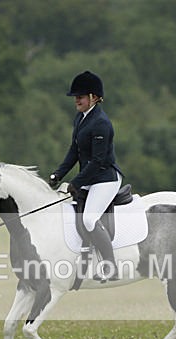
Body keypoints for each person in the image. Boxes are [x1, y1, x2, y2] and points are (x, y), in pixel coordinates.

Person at [49, 71, 122, 282]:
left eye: (80, 97)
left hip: (105, 179)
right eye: (75, 97)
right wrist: (57, 174)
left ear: (93, 97)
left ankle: (110, 266)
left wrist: (75, 182)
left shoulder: (101, 123)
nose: (76, 101)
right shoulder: (80, 118)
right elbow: (74, 151)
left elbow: (98, 161)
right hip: (90, 178)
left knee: (89, 219)